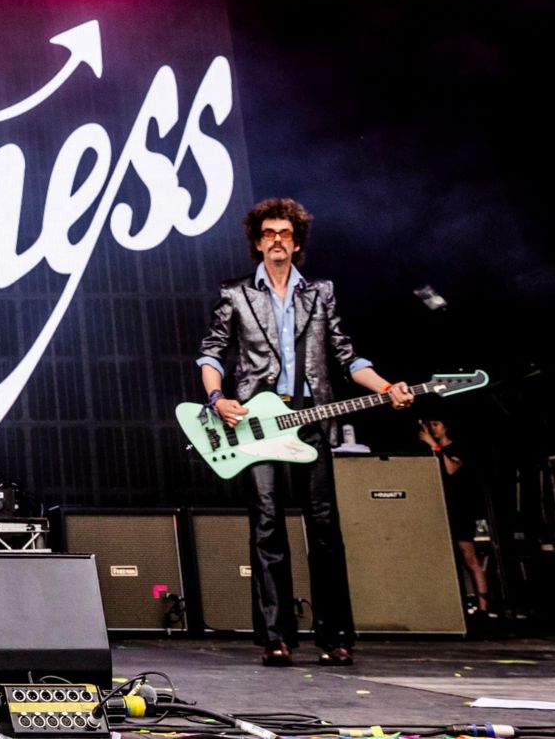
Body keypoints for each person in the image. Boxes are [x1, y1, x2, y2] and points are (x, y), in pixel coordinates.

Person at [196, 197, 413, 668]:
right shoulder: (236, 294)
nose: (277, 241)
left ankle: (335, 635)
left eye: (286, 234)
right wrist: (218, 400)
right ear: (257, 242)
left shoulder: (319, 293)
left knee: (324, 528)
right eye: (269, 233)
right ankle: (276, 636)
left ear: (297, 243)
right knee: (268, 525)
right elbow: (211, 354)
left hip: (312, 418)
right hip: (257, 422)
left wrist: (386, 386)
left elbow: (346, 355)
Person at [418, 416, 490, 614]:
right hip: (439, 508)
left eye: (436, 424)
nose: (432, 429)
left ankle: (483, 607)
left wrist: (435, 445)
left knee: (469, 556)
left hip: (460, 508)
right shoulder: (428, 453)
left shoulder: (456, 448)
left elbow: (451, 468)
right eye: (429, 425)